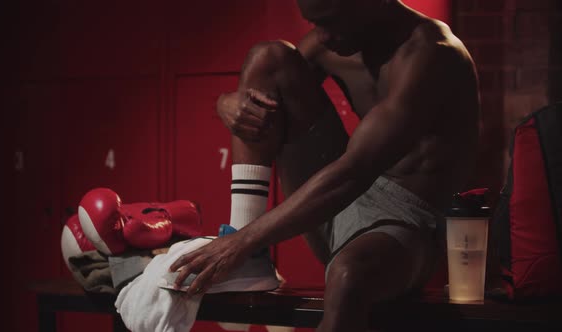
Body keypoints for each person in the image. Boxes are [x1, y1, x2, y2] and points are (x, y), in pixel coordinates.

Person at [171, 0, 480, 331]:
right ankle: (248, 264)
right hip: (342, 195)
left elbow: (354, 172)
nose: (323, 36)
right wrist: (226, 103)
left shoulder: (432, 53)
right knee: (268, 59)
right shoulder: (331, 40)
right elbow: (263, 86)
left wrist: (242, 242)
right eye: (315, 23)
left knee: (348, 279)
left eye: (332, 23)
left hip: (407, 224)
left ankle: (246, 250)